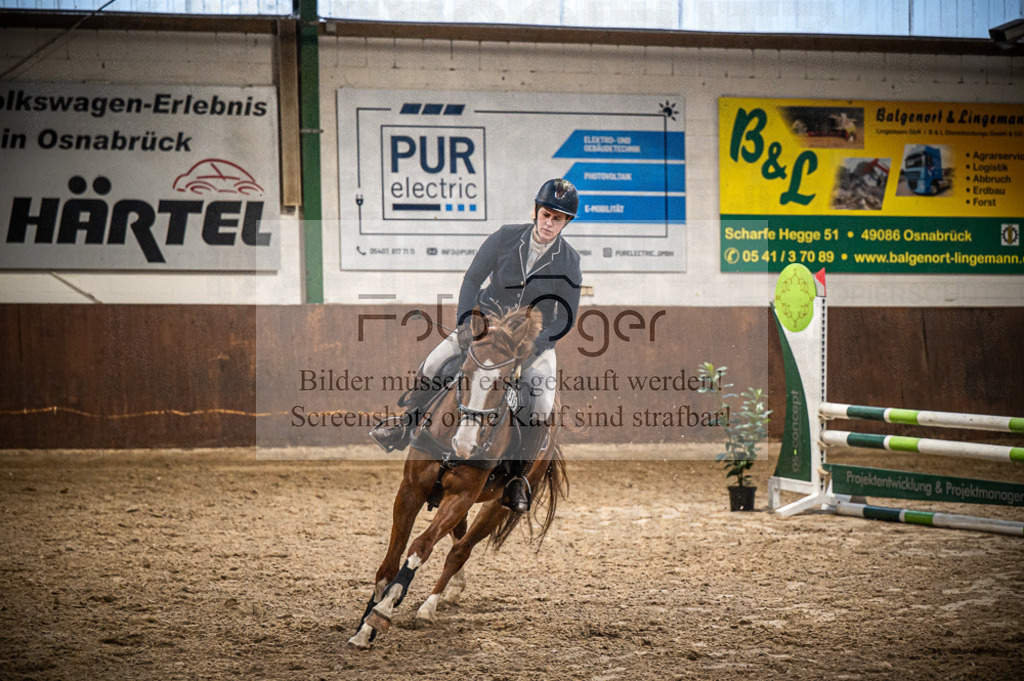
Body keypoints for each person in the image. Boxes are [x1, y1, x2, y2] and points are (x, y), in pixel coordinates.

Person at [369, 178, 583, 513]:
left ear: (566, 222)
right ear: (536, 211)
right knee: (434, 362)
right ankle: (406, 424)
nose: (549, 223)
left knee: (541, 405)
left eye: (558, 218)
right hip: (487, 324)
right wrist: (466, 321)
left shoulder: (568, 260)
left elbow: (565, 318)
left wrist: (536, 345)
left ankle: (517, 478)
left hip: (531, 341)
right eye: (546, 214)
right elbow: (473, 278)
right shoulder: (505, 237)